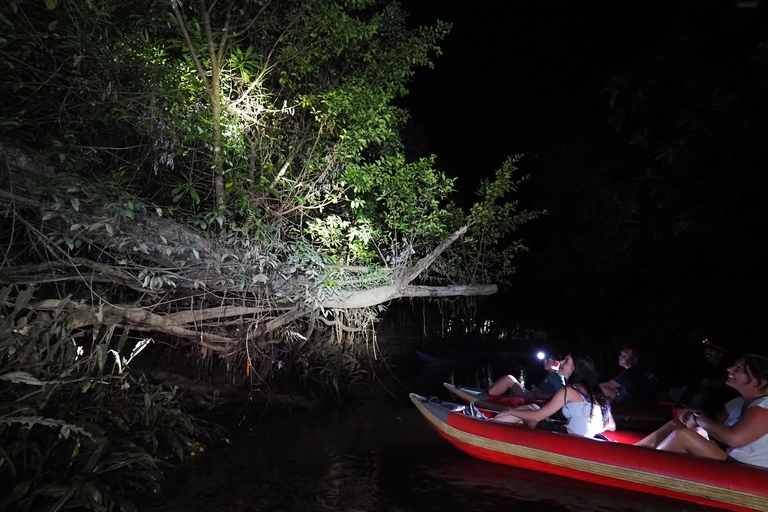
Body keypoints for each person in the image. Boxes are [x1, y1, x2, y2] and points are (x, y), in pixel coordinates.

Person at [634, 354, 768, 467]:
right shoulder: (737, 403)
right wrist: (690, 416)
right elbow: (714, 430)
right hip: (730, 459)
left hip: (748, 471)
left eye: (739, 369)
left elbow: (733, 439)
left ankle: (643, 467)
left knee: (683, 436)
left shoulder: (764, 406)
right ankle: (633, 453)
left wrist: (697, 417)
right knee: (678, 424)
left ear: (760, 382)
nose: (729, 369)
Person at [493, 353, 615, 439]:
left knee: (525, 412)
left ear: (575, 369)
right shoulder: (597, 392)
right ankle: (494, 422)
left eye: (566, 361)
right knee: (533, 406)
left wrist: (512, 411)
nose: (560, 362)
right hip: (574, 435)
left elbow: (536, 417)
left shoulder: (570, 390)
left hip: (567, 438)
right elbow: (611, 426)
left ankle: (489, 424)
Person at [488, 352, 566, 400]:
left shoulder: (558, 376)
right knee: (507, 378)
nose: (544, 362)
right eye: (544, 360)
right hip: (533, 395)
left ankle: (486, 397)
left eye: (547, 360)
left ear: (556, 363)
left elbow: (563, 395)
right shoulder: (550, 374)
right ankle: (487, 392)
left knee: (509, 379)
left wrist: (542, 395)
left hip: (534, 399)